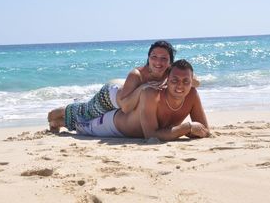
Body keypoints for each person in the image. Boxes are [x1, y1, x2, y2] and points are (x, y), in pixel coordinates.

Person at [48, 40, 176, 132]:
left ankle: (58, 123)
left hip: (122, 104)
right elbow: (126, 108)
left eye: (164, 58)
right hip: (110, 97)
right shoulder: (137, 74)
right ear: (148, 58)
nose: (158, 62)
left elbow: (193, 80)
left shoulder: (170, 73)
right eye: (154, 57)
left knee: (87, 123)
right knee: (84, 112)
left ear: (170, 62)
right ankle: (57, 113)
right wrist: (143, 88)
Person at [74, 59, 210, 141]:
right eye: (174, 80)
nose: (180, 85)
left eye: (186, 81)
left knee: (76, 119)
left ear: (191, 81)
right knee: (76, 122)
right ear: (167, 80)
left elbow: (204, 131)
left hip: (120, 110)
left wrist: (189, 131)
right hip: (113, 125)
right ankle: (60, 114)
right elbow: (151, 135)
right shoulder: (151, 94)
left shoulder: (192, 94)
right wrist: (187, 128)